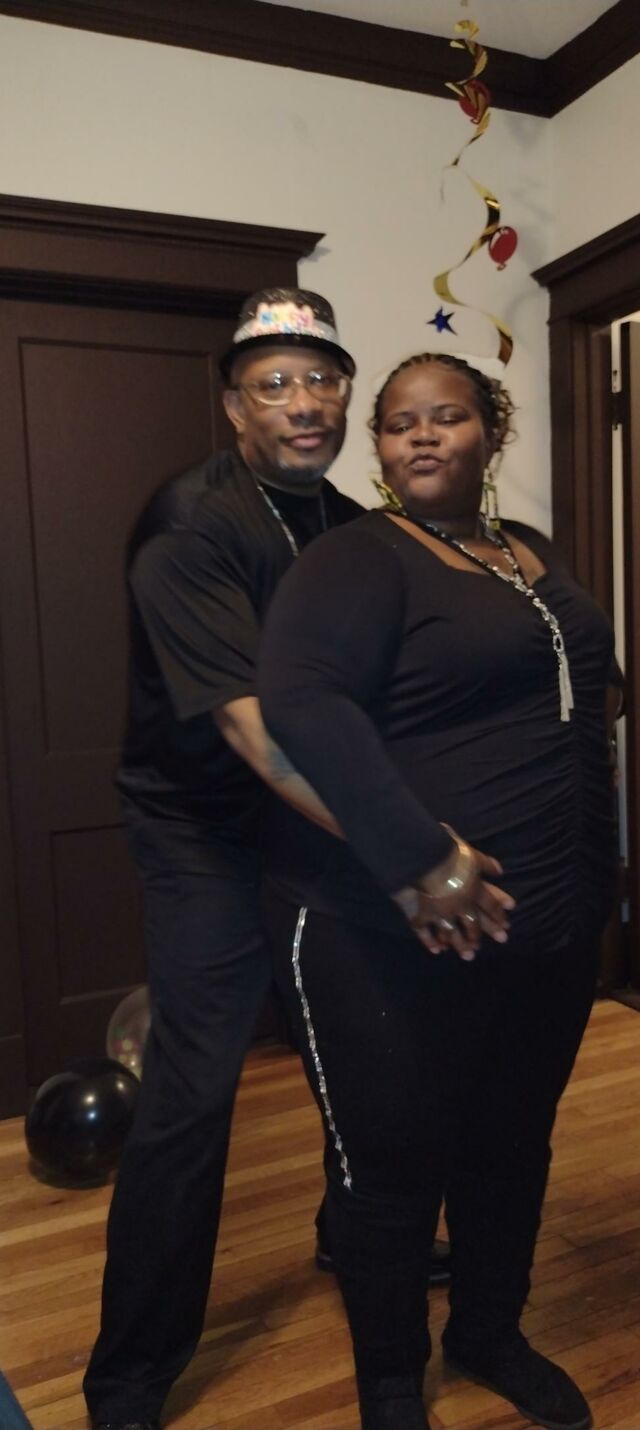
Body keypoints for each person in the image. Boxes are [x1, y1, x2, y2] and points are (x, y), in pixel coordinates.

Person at [258, 352, 622, 1430]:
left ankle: (489, 1331)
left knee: (512, 1143)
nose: (421, 435)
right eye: (399, 422)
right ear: (379, 446)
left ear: (489, 432)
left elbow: (576, 678)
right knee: (394, 1166)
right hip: (396, 934)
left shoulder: (530, 551)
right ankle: (388, 1384)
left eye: (447, 415)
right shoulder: (355, 558)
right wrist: (421, 854)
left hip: (549, 926)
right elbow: (301, 704)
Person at [83, 288, 364, 1430]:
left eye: (321, 378)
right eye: (274, 383)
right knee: (192, 1093)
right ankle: (130, 1374)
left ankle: (354, 1233)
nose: (303, 403)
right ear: (235, 406)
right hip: (202, 828)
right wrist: (400, 841)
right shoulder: (189, 524)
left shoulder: (349, 526)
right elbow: (253, 730)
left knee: (358, 1045)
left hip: (311, 818)